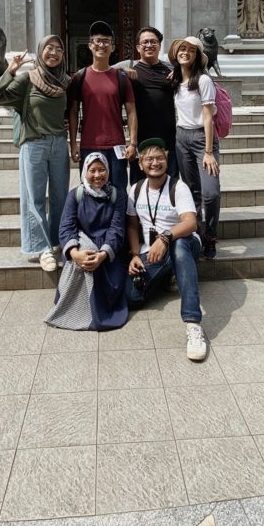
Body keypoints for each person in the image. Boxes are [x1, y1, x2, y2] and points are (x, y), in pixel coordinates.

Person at [0, 34, 70, 273]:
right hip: (34, 143)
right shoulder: (28, 79)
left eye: (58, 49)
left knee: (60, 197)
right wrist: (11, 70)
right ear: (41, 51)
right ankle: (41, 248)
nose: (53, 52)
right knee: (33, 198)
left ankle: (55, 242)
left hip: (58, 144)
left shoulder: (65, 82)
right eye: (49, 48)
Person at [126, 139, 207, 361]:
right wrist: (134, 255)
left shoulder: (177, 187)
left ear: (167, 159)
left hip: (183, 243)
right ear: (140, 164)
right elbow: (132, 226)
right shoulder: (136, 190)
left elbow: (191, 223)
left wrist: (165, 237)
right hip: (151, 252)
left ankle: (193, 324)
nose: (155, 163)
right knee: (131, 298)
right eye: (149, 159)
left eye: (159, 158)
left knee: (179, 247)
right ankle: (169, 276)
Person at [45, 152, 128, 331]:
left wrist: (103, 255)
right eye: (92, 170)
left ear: (108, 170)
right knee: (84, 257)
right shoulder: (75, 195)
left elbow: (117, 229)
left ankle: (97, 312)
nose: (97, 175)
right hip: (82, 246)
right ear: (85, 171)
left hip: (108, 252)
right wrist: (75, 254)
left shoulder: (117, 195)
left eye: (102, 170)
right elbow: (67, 227)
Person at [67, 20, 138, 192]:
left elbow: (131, 112)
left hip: (117, 146)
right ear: (90, 46)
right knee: (91, 190)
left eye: (106, 41)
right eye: (97, 41)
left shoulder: (121, 78)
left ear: (112, 48)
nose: (101, 45)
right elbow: (74, 112)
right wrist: (74, 144)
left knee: (119, 190)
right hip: (88, 144)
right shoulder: (80, 77)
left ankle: (118, 220)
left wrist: (133, 143)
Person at [168, 35, 220, 260]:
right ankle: (197, 235)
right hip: (181, 139)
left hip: (202, 139)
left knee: (211, 193)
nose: (185, 52)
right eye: (182, 48)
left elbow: (209, 117)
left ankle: (210, 234)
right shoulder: (175, 79)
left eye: (191, 49)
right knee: (192, 192)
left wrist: (208, 152)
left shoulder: (204, 81)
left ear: (198, 55)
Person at [118, 26, 177, 184]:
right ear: (138, 47)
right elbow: (104, 70)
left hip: (168, 139)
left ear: (159, 45)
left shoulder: (170, 70)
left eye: (153, 42)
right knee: (139, 183)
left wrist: (182, 71)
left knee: (169, 182)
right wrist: (123, 69)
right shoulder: (130, 67)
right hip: (140, 138)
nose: (149, 45)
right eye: (145, 42)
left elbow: (198, 74)